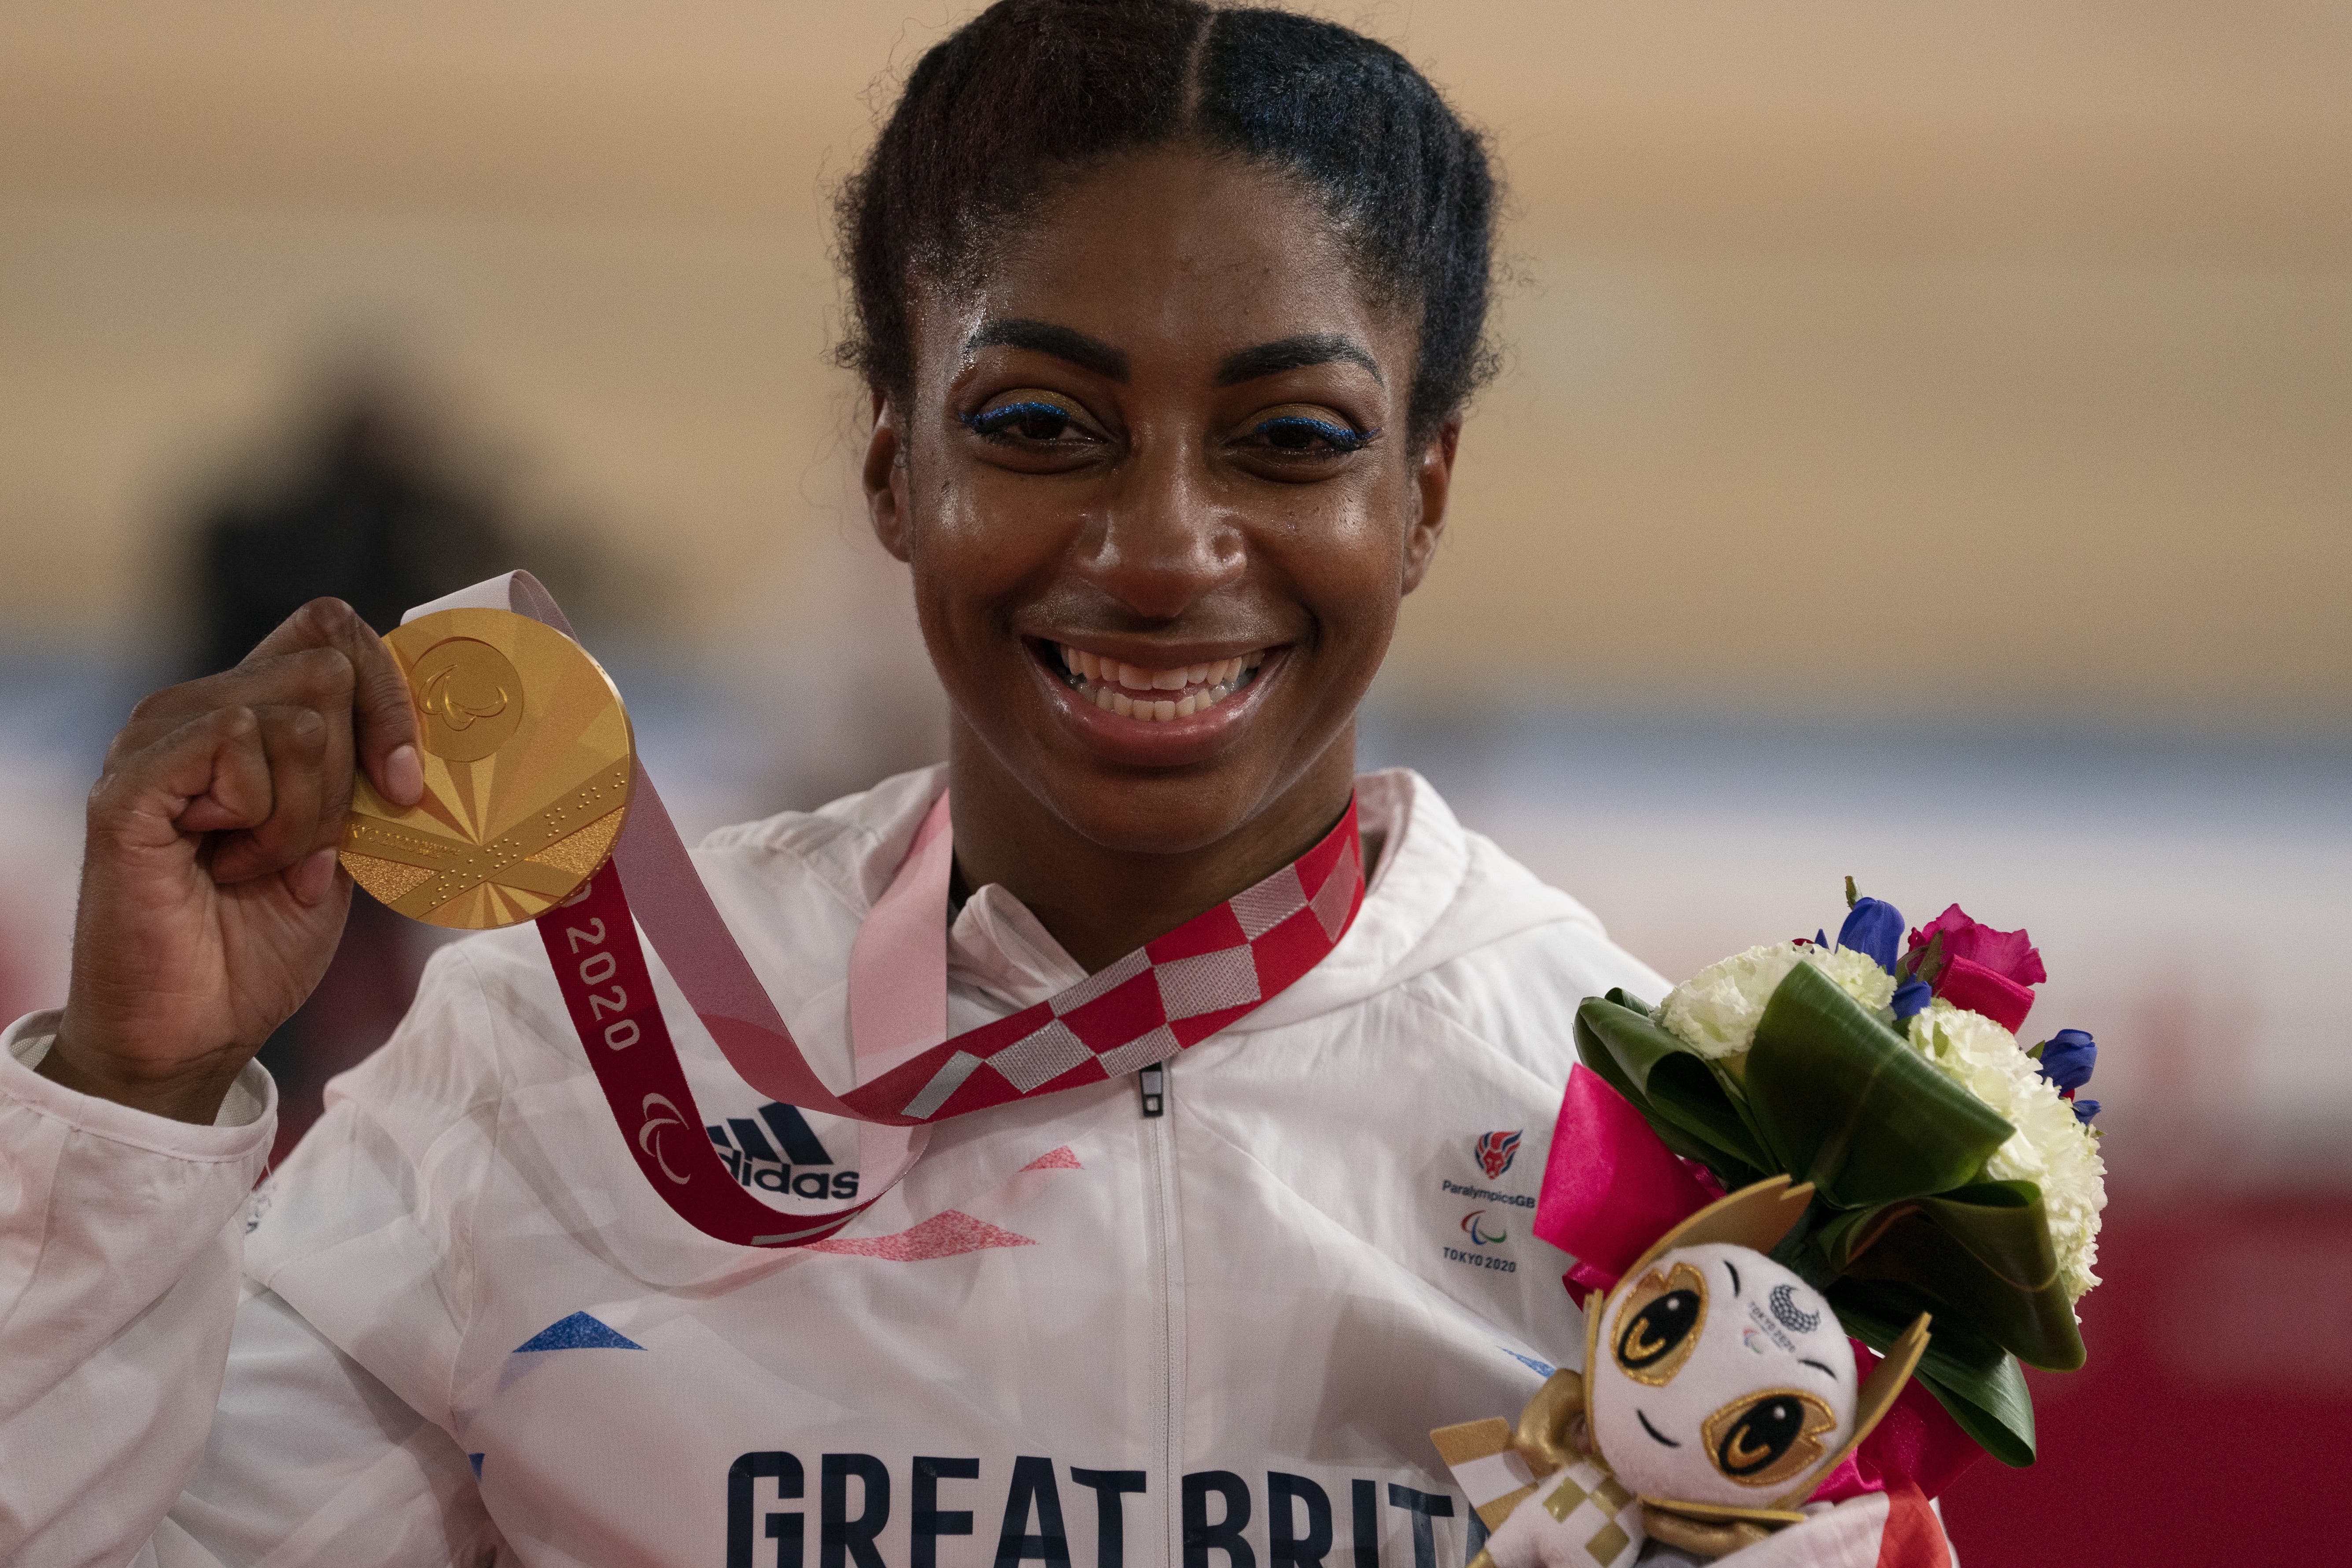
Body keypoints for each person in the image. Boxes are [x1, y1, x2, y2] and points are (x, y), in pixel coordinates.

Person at [0, 4, 1949, 1564]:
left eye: (1288, 436)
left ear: (1419, 491)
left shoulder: (1648, 1151)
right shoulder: (549, 1073)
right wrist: (132, 1096)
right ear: (888, 473)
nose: (1168, 544)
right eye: (1038, 426)